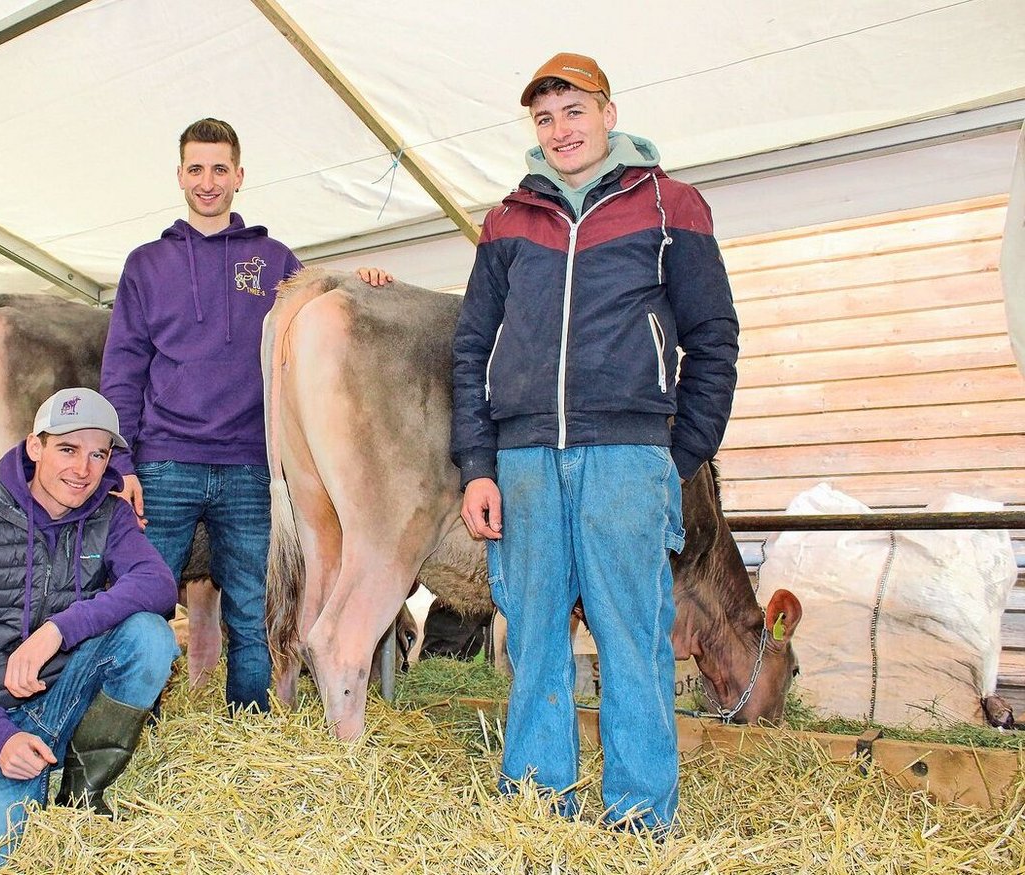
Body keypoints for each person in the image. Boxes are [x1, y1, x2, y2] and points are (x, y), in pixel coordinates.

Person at [450, 52, 738, 834]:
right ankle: (539, 801)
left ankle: (639, 816)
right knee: (534, 633)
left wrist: (678, 456)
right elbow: (471, 345)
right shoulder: (508, 220)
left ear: (609, 113)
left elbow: (713, 339)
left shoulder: (671, 205)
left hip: (627, 456)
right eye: (545, 118)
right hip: (524, 460)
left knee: (632, 637)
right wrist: (477, 464)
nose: (560, 130)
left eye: (574, 111)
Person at [100, 118, 390, 712]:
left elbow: (321, 311)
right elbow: (123, 369)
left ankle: (248, 727)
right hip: (164, 464)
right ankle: (132, 722)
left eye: (220, 169)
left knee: (254, 610)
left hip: (251, 467)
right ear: (180, 175)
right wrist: (121, 463)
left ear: (239, 175)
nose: (208, 182)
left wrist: (364, 284)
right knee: (143, 601)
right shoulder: (146, 264)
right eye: (196, 169)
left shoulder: (272, 258)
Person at [0, 387, 179, 873]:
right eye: (68, 449)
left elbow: (158, 585)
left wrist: (58, 629)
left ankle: (81, 787)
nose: (83, 470)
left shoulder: (110, 514)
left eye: (98, 454)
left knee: (151, 635)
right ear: (35, 447)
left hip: (70, 696)